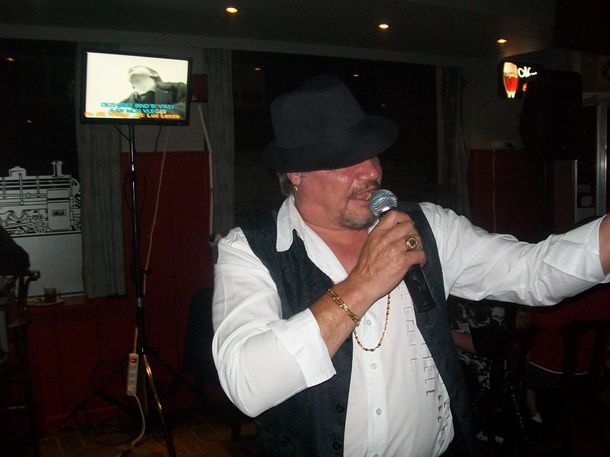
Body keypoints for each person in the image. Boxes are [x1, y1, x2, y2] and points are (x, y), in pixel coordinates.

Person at [212, 74, 610, 457]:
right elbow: (248, 385)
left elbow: (534, 272)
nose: (371, 172)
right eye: (344, 160)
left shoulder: (428, 225)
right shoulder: (249, 250)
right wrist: (363, 283)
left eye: (371, 154)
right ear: (296, 173)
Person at [120, 66, 187, 117]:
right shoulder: (123, 103)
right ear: (132, 84)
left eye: (137, 67)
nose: (131, 69)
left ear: (155, 74)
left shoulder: (177, 89)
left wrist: (145, 113)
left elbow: (185, 109)